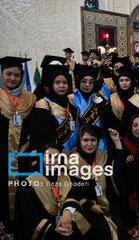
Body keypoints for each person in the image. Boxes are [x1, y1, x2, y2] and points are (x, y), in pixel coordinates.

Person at [62, 125, 129, 239]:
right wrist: (90, 206)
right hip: (85, 207)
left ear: (98, 142)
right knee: (104, 232)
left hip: (107, 203)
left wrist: (117, 141)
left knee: (122, 234)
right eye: (85, 140)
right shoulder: (72, 163)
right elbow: (70, 191)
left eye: (93, 140)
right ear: (79, 141)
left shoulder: (103, 156)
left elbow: (121, 166)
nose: (89, 144)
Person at [14, 143, 88, 240]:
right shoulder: (28, 183)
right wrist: (52, 229)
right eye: (48, 156)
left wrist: (67, 211)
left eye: (56, 157)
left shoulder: (64, 177)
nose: (52, 161)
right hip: (45, 233)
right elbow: (28, 217)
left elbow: (72, 196)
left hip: (66, 224)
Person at [0, 56, 37, 234]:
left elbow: (34, 127)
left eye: (16, 75)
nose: (12, 78)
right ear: (1, 74)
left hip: (23, 153)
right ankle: (7, 223)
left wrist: (28, 144)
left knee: (23, 189)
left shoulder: (30, 98)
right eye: (8, 74)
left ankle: (22, 224)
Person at [30, 64, 79, 154]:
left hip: (73, 155)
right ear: (51, 84)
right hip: (52, 158)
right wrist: (63, 151)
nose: (61, 86)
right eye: (57, 82)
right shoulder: (43, 105)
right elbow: (44, 135)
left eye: (65, 82)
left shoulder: (71, 105)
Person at [68, 64, 111, 151]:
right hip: (79, 141)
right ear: (78, 82)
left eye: (91, 82)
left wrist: (100, 103)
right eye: (84, 81)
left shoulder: (99, 97)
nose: (87, 85)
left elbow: (109, 117)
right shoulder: (71, 99)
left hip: (100, 142)